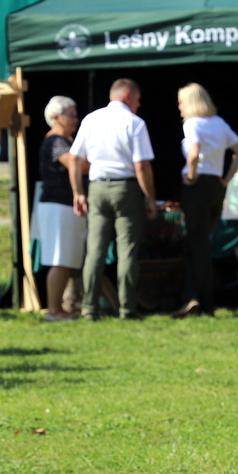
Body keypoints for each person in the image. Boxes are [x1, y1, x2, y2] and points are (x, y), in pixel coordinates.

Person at [68, 79, 157, 320]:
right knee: (127, 252)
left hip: (97, 187)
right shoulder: (135, 123)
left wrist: (78, 192)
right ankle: (127, 309)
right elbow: (142, 165)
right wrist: (150, 198)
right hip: (126, 188)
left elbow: (74, 159)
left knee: (95, 252)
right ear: (128, 96)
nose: (138, 105)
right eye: (137, 100)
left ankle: (89, 308)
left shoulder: (91, 119)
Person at [174, 83, 238, 317]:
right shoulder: (219, 123)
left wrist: (192, 176)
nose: (179, 106)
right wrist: (226, 179)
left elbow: (193, 152)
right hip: (216, 185)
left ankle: (203, 303)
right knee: (200, 243)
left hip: (198, 185)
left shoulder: (192, 124)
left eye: (182, 101)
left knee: (198, 245)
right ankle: (194, 298)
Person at [33, 96, 86, 320]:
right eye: (71, 115)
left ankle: (58, 309)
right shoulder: (56, 141)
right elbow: (78, 165)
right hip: (58, 205)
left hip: (60, 205)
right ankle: (54, 310)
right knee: (59, 259)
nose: (76, 120)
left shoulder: (64, 140)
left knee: (63, 259)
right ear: (56, 117)